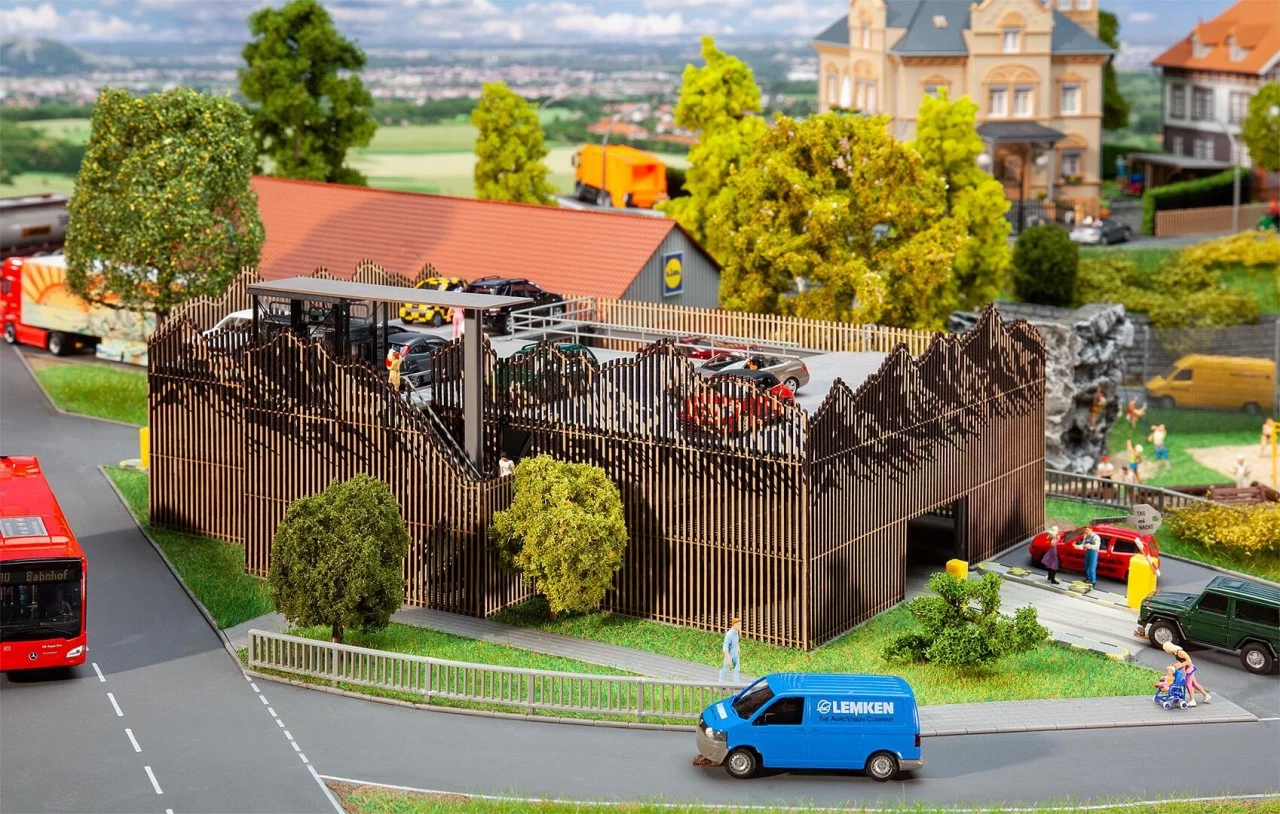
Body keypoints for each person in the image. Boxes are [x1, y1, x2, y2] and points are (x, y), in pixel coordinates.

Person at [1164, 641, 1210, 706]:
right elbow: (1182, 661)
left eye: (1166, 649)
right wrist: (1175, 664)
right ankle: (1206, 695)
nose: (1165, 651)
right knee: (1194, 684)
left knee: (1188, 684)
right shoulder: (1175, 653)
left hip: (1190, 668)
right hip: (1187, 668)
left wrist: (1180, 665)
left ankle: (1192, 700)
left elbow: (1189, 660)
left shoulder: (1180, 652)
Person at [719, 616, 742, 684]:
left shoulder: (736, 632)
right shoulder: (729, 634)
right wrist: (728, 658)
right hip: (729, 653)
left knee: (737, 668)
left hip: (735, 653)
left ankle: (737, 683)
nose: (739, 626)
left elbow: (736, 640)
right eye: (738, 624)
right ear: (734, 624)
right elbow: (725, 648)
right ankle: (721, 682)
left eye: (740, 624)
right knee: (725, 667)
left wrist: (738, 647)